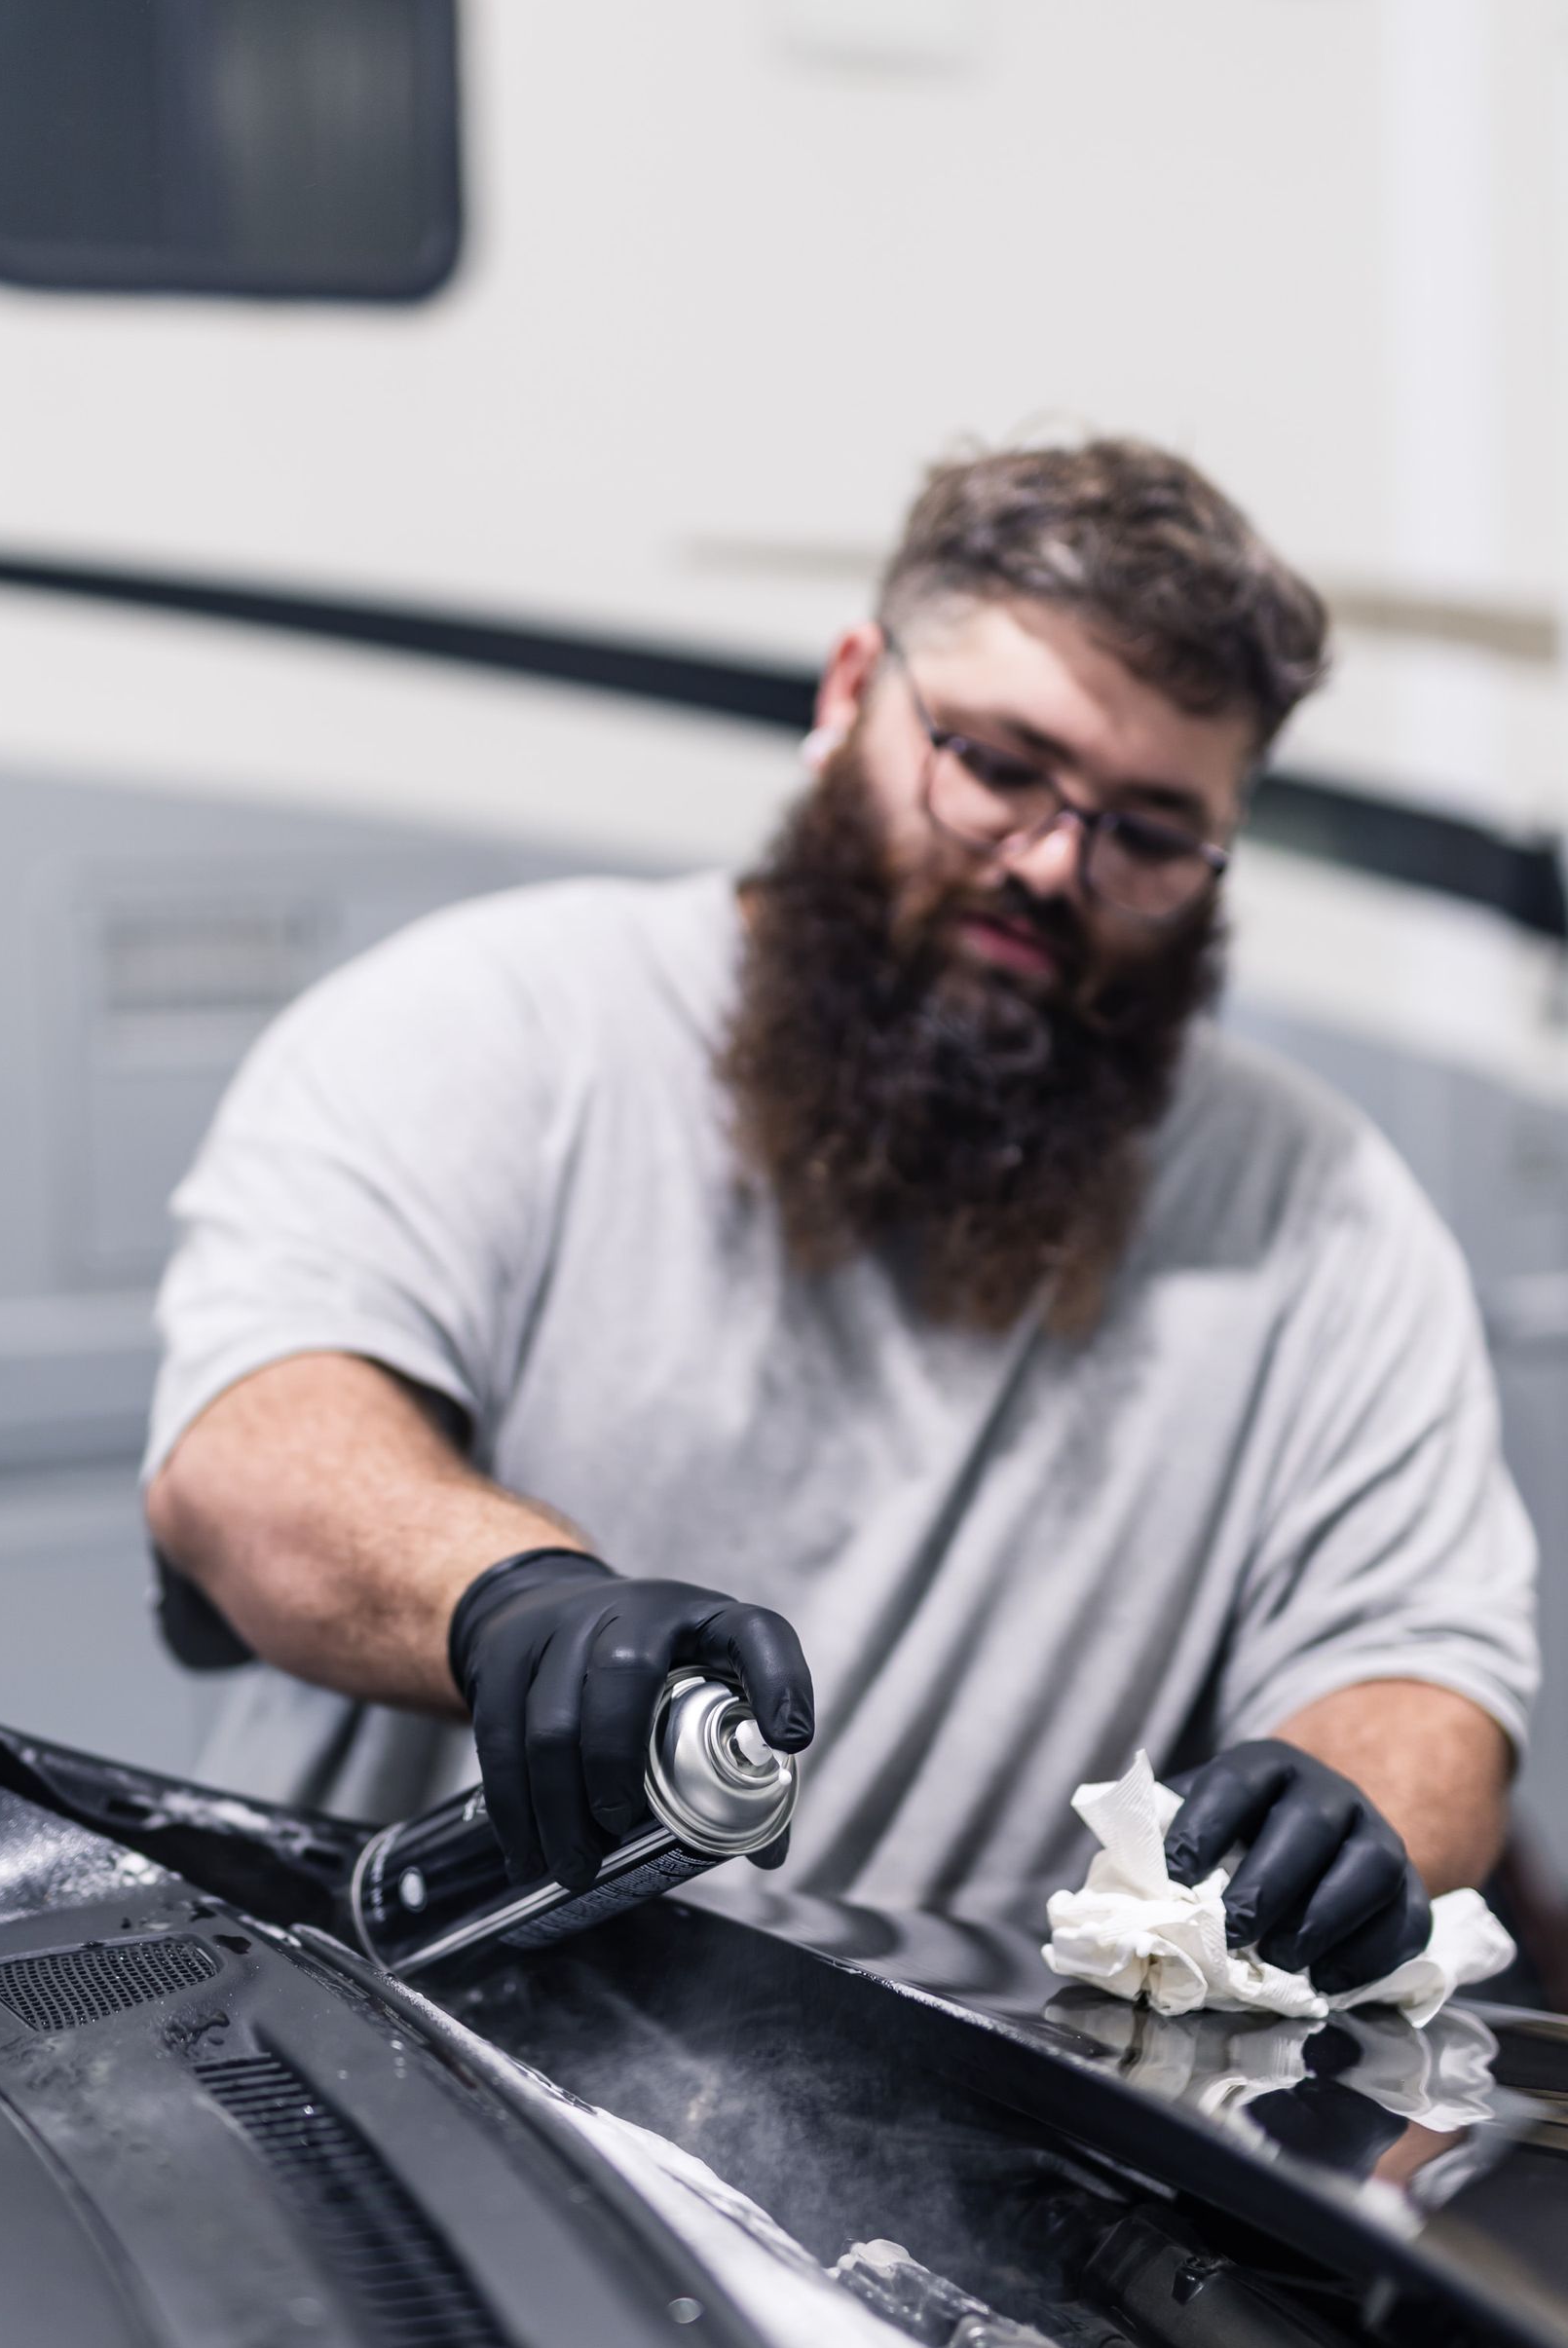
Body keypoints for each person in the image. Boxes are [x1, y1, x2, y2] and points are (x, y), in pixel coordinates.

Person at [143, 438, 1537, 1993]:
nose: (1055, 865)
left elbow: (1425, 1680)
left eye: (1149, 833)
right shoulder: (491, 1025)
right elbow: (253, 1451)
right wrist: (511, 1602)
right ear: (849, 690)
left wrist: (1350, 1806)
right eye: (999, 764)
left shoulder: (1319, 1215)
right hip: (402, 2063)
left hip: (926, 2168)